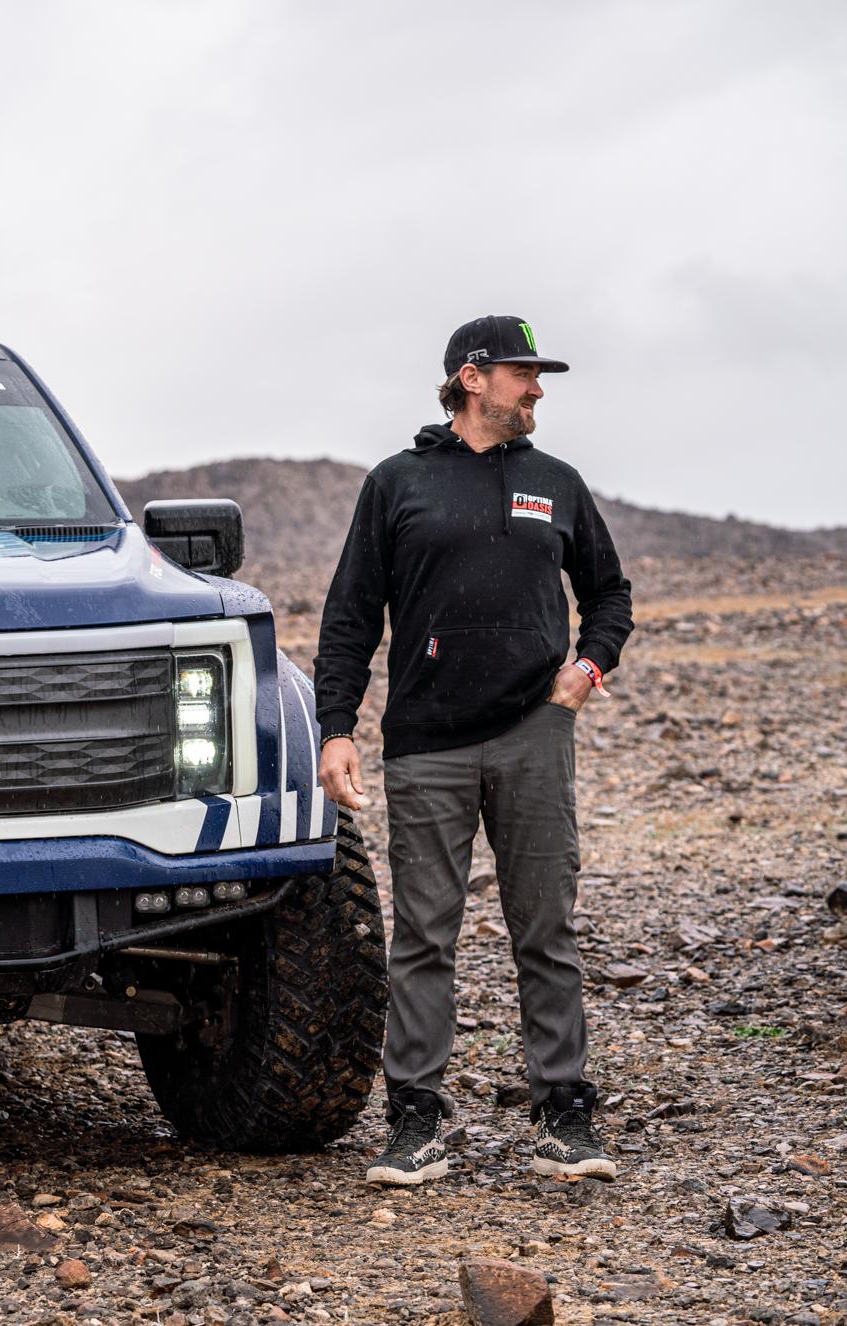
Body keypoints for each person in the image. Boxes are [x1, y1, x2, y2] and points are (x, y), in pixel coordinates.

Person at [313, 316, 633, 1187]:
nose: (536, 390)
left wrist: (587, 668)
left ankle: (564, 1113)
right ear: (472, 377)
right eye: (523, 374)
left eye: (537, 377)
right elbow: (350, 620)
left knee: (546, 929)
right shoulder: (397, 485)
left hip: (534, 733)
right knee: (423, 936)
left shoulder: (555, 483)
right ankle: (415, 1119)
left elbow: (610, 594)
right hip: (425, 745)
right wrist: (336, 729)